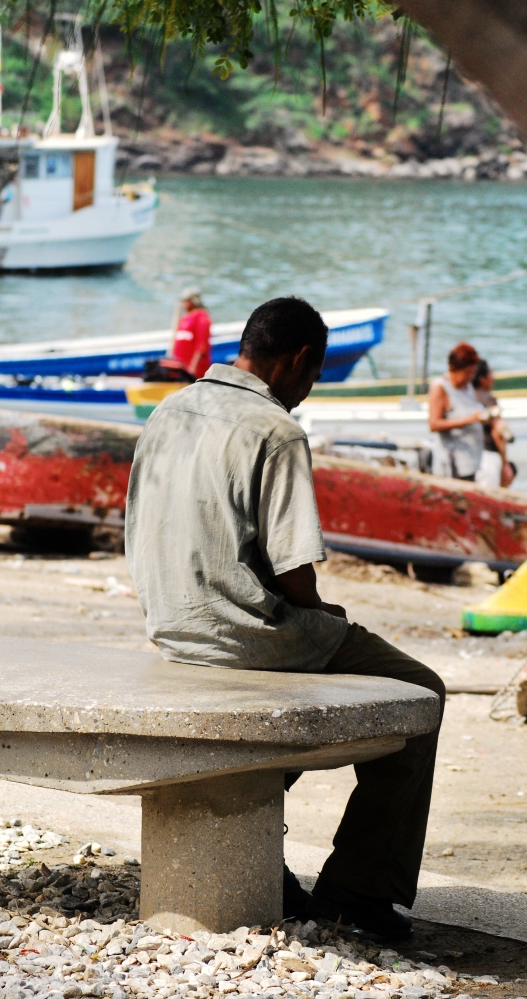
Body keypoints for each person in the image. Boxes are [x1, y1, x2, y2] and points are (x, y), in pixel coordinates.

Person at [126, 296, 445, 940]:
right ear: (298, 360)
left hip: (172, 624)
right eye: (314, 375)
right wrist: (323, 611)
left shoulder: (170, 407)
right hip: (248, 632)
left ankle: (255, 849)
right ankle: (359, 888)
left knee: (296, 709)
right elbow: (295, 571)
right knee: (420, 690)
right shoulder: (276, 430)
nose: (308, 392)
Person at [428, 341, 485, 481]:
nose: (470, 377)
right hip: (453, 465)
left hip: (471, 463)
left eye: (472, 373)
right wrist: (469, 420)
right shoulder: (440, 388)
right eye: (467, 373)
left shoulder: (468, 387)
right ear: (454, 368)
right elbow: (434, 424)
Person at [472, 359, 516, 488]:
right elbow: (497, 431)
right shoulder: (488, 399)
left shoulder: (468, 397)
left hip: (473, 457)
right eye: (490, 373)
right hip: (489, 457)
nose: (493, 378)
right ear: (482, 379)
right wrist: (505, 463)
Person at [170, 287, 212, 378]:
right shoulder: (185, 318)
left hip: (193, 372)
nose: (184, 303)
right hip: (180, 370)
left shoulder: (201, 318)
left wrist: (192, 369)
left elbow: (201, 346)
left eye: (186, 300)